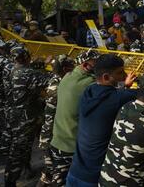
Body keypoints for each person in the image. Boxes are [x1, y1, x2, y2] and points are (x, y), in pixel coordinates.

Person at [66, 54, 137, 186]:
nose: (124, 75)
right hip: (94, 177)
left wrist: (124, 87)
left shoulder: (89, 91)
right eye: (120, 73)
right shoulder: (116, 98)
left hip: (75, 172)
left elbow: (109, 98)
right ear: (106, 77)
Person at [49, 49, 100, 186]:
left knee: (58, 181)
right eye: (96, 63)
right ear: (85, 65)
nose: (99, 67)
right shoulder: (89, 84)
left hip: (57, 142)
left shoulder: (67, 76)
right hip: (71, 147)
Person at [4, 47, 54, 187]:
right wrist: (54, 67)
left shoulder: (10, 69)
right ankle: (10, 181)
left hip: (14, 114)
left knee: (21, 147)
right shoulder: (26, 73)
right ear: (24, 57)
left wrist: (41, 65)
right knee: (19, 149)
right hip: (25, 118)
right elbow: (50, 79)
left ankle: (25, 170)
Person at [38, 55, 76, 187]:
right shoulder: (61, 84)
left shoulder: (56, 79)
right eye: (72, 66)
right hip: (52, 135)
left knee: (49, 171)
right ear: (65, 68)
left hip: (50, 133)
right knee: (56, 174)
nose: (75, 68)